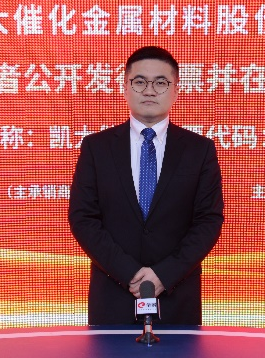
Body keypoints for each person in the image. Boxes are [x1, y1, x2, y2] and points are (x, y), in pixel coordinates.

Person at [68, 46, 224, 325]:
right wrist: (130, 274)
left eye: (161, 83)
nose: (150, 91)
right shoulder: (97, 148)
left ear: (176, 91)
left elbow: (208, 221)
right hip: (113, 295)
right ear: (125, 88)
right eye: (139, 82)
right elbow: (83, 218)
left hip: (177, 295)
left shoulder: (199, 150)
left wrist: (164, 275)